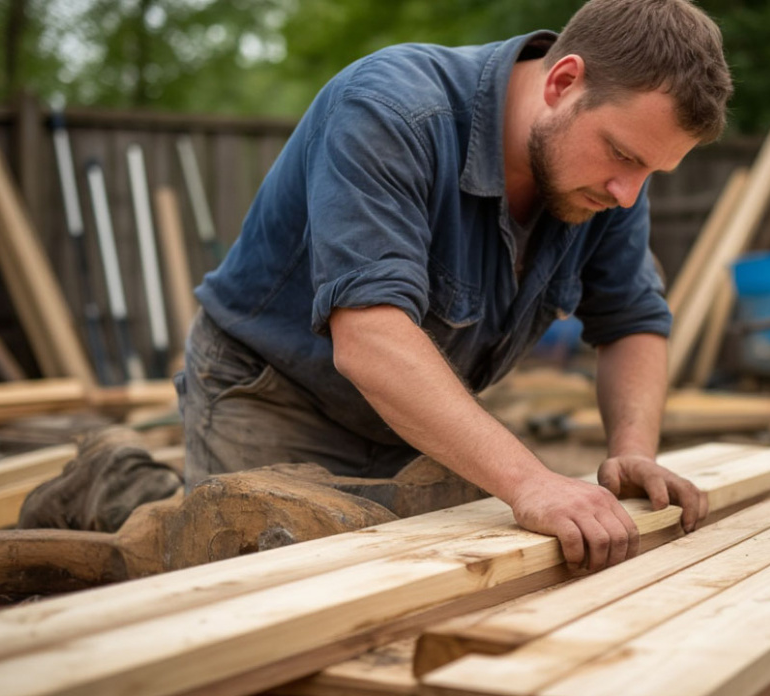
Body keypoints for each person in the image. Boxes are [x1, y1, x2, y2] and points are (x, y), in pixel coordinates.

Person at [176, 0, 733, 572]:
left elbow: (633, 319)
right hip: (275, 397)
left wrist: (634, 452)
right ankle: (114, 487)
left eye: (651, 173)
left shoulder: (608, 181)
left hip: (418, 421)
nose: (628, 194)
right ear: (564, 81)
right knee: (263, 593)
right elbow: (370, 336)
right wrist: (530, 481)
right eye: (623, 154)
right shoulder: (390, 111)